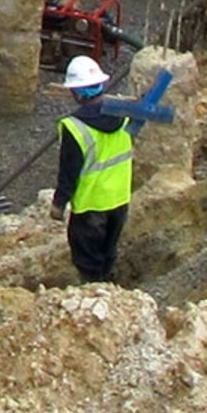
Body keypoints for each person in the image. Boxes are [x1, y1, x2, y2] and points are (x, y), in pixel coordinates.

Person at [54, 54, 136, 283]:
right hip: (119, 199)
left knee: (87, 258)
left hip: (91, 205)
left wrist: (59, 204)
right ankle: (108, 288)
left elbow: (68, 171)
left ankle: (94, 292)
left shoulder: (75, 127)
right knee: (108, 252)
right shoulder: (125, 115)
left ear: (76, 92)